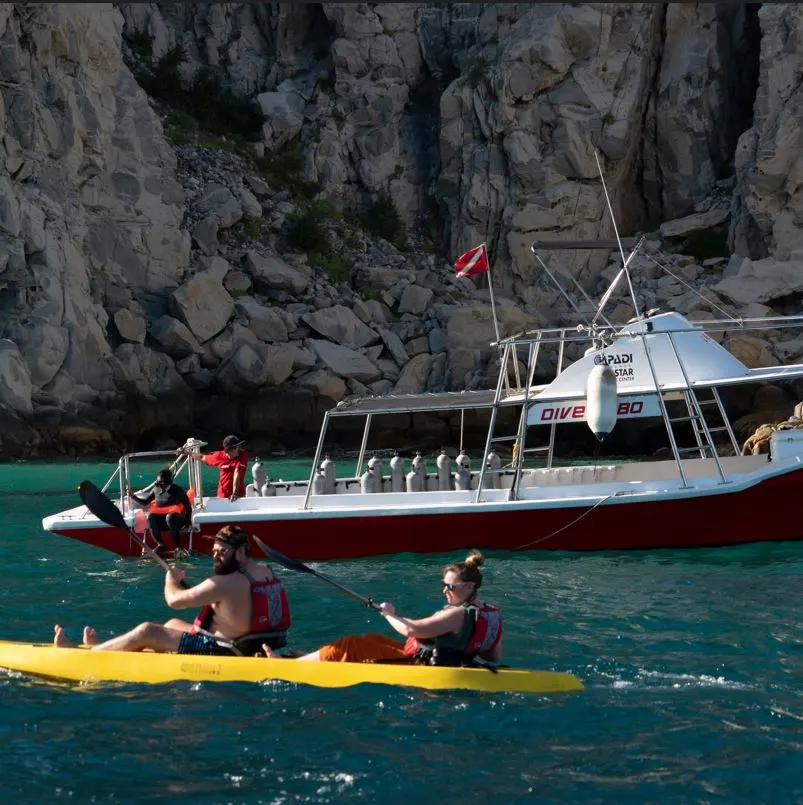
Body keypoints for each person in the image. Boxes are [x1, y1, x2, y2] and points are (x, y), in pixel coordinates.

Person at [53, 525, 291, 656]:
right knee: (173, 624)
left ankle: (89, 654)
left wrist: (171, 579)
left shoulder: (226, 582)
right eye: (215, 550)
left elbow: (175, 600)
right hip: (254, 643)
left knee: (147, 630)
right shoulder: (265, 570)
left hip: (226, 650)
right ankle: (111, 647)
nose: (216, 556)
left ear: (241, 552)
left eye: (223, 551)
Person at [263, 551, 502, 666]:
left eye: (450, 586)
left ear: (470, 587)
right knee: (373, 638)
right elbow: (492, 655)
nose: (445, 591)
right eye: (443, 585)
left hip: (419, 665)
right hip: (440, 659)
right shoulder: (490, 613)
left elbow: (411, 630)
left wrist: (389, 613)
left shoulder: (457, 614)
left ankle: (289, 665)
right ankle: (308, 658)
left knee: (350, 645)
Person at [131, 468, 192, 553]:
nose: (160, 486)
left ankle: (178, 546)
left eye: (162, 484)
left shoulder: (178, 491)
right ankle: (160, 545)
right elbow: (145, 502)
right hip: (163, 522)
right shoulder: (156, 489)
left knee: (170, 517)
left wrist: (188, 523)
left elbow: (188, 508)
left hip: (176, 521)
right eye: (158, 484)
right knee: (151, 517)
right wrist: (133, 496)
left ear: (169, 482)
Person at [189, 434, 249, 500]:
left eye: (240, 446)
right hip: (223, 496)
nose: (239, 448)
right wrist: (188, 453)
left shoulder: (243, 454)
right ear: (229, 449)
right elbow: (202, 457)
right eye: (236, 447)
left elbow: (237, 472)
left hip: (239, 496)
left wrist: (234, 494)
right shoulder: (218, 456)